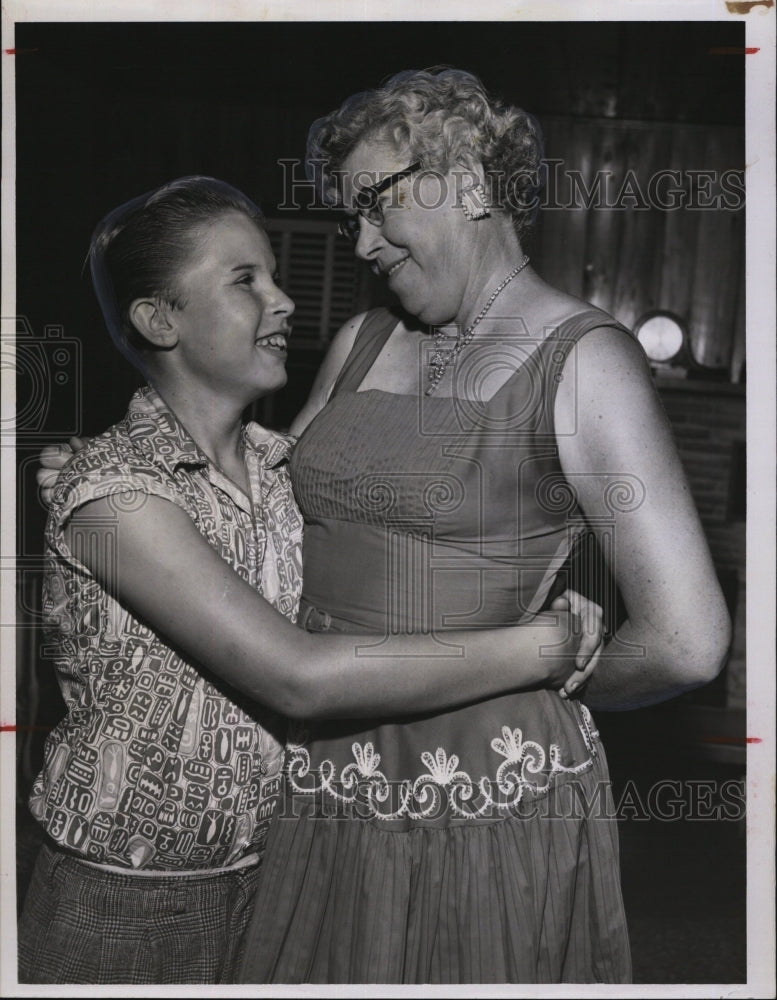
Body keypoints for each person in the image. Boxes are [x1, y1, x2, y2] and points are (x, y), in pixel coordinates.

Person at [20, 175, 603, 985]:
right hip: (124, 905)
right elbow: (296, 678)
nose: (284, 301)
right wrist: (542, 646)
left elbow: (396, 531)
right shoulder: (112, 492)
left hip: (282, 874)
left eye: (274, 275)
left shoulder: (280, 465)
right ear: (159, 320)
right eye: (243, 281)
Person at [233, 69, 732, 984]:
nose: (361, 243)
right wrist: (148, 474)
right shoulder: (362, 342)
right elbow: (263, 520)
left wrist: (547, 679)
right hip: (320, 767)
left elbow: (688, 641)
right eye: (348, 219)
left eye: (374, 206)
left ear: (467, 182)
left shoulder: (586, 363)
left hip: (479, 796)